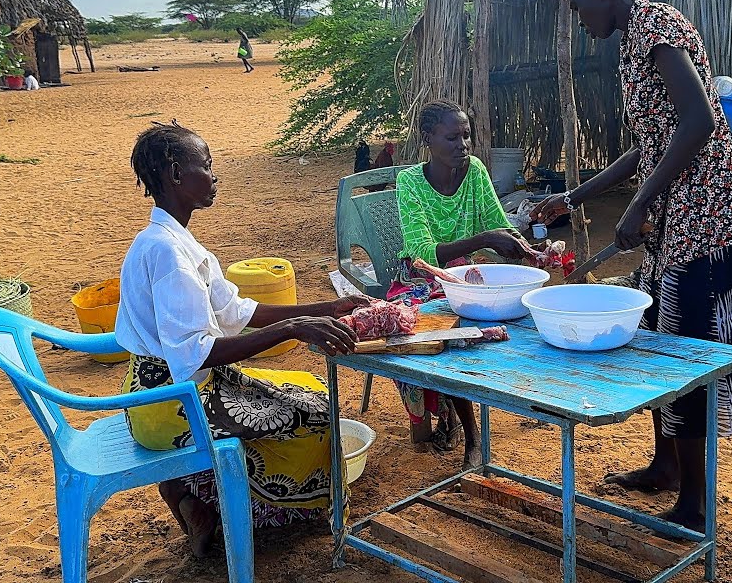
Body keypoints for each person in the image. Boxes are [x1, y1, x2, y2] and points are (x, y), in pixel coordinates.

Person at [532, 0, 732, 531]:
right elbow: (651, 142)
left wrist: (639, 204)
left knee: (682, 358)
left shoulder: (656, 26)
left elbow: (699, 121)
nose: (579, 18)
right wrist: (576, 196)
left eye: (577, 5)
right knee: (656, 336)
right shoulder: (637, 36)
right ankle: (666, 466)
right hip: (682, 219)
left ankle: (694, 503)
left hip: (710, 218)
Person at [114, 121, 370, 557]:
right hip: (168, 404)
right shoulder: (167, 252)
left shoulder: (178, 241)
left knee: (313, 392)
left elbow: (238, 313)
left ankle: (197, 499)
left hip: (170, 387)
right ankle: (204, 497)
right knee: (314, 416)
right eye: (207, 166)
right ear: (176, 173)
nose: (215, 177)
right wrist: (291, 329)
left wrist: (324, 309)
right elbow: (194, 355)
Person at [395, 100, 536, 467]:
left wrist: (525, 246)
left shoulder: (474, 171)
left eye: (467, 136)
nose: (463, 145)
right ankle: (473, 436)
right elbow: (421, 250)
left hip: (469, 275)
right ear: (428, 138)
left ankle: (528, 397)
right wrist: (483, 240)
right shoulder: (409, 182)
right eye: (452, 137)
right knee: (449, 328)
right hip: (421, 278)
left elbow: (496, 221)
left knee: (518, 311)